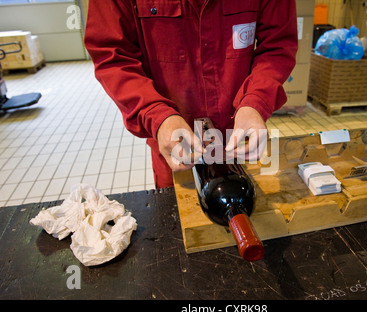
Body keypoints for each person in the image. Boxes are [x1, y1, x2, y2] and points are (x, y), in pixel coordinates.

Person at [84, 0, 298, 188]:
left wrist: (255, 101)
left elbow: (277, 44)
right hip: (173, 139)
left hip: (237, 137)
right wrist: (155, 114)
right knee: (178, 220)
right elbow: (113, 56)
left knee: (247, 204)